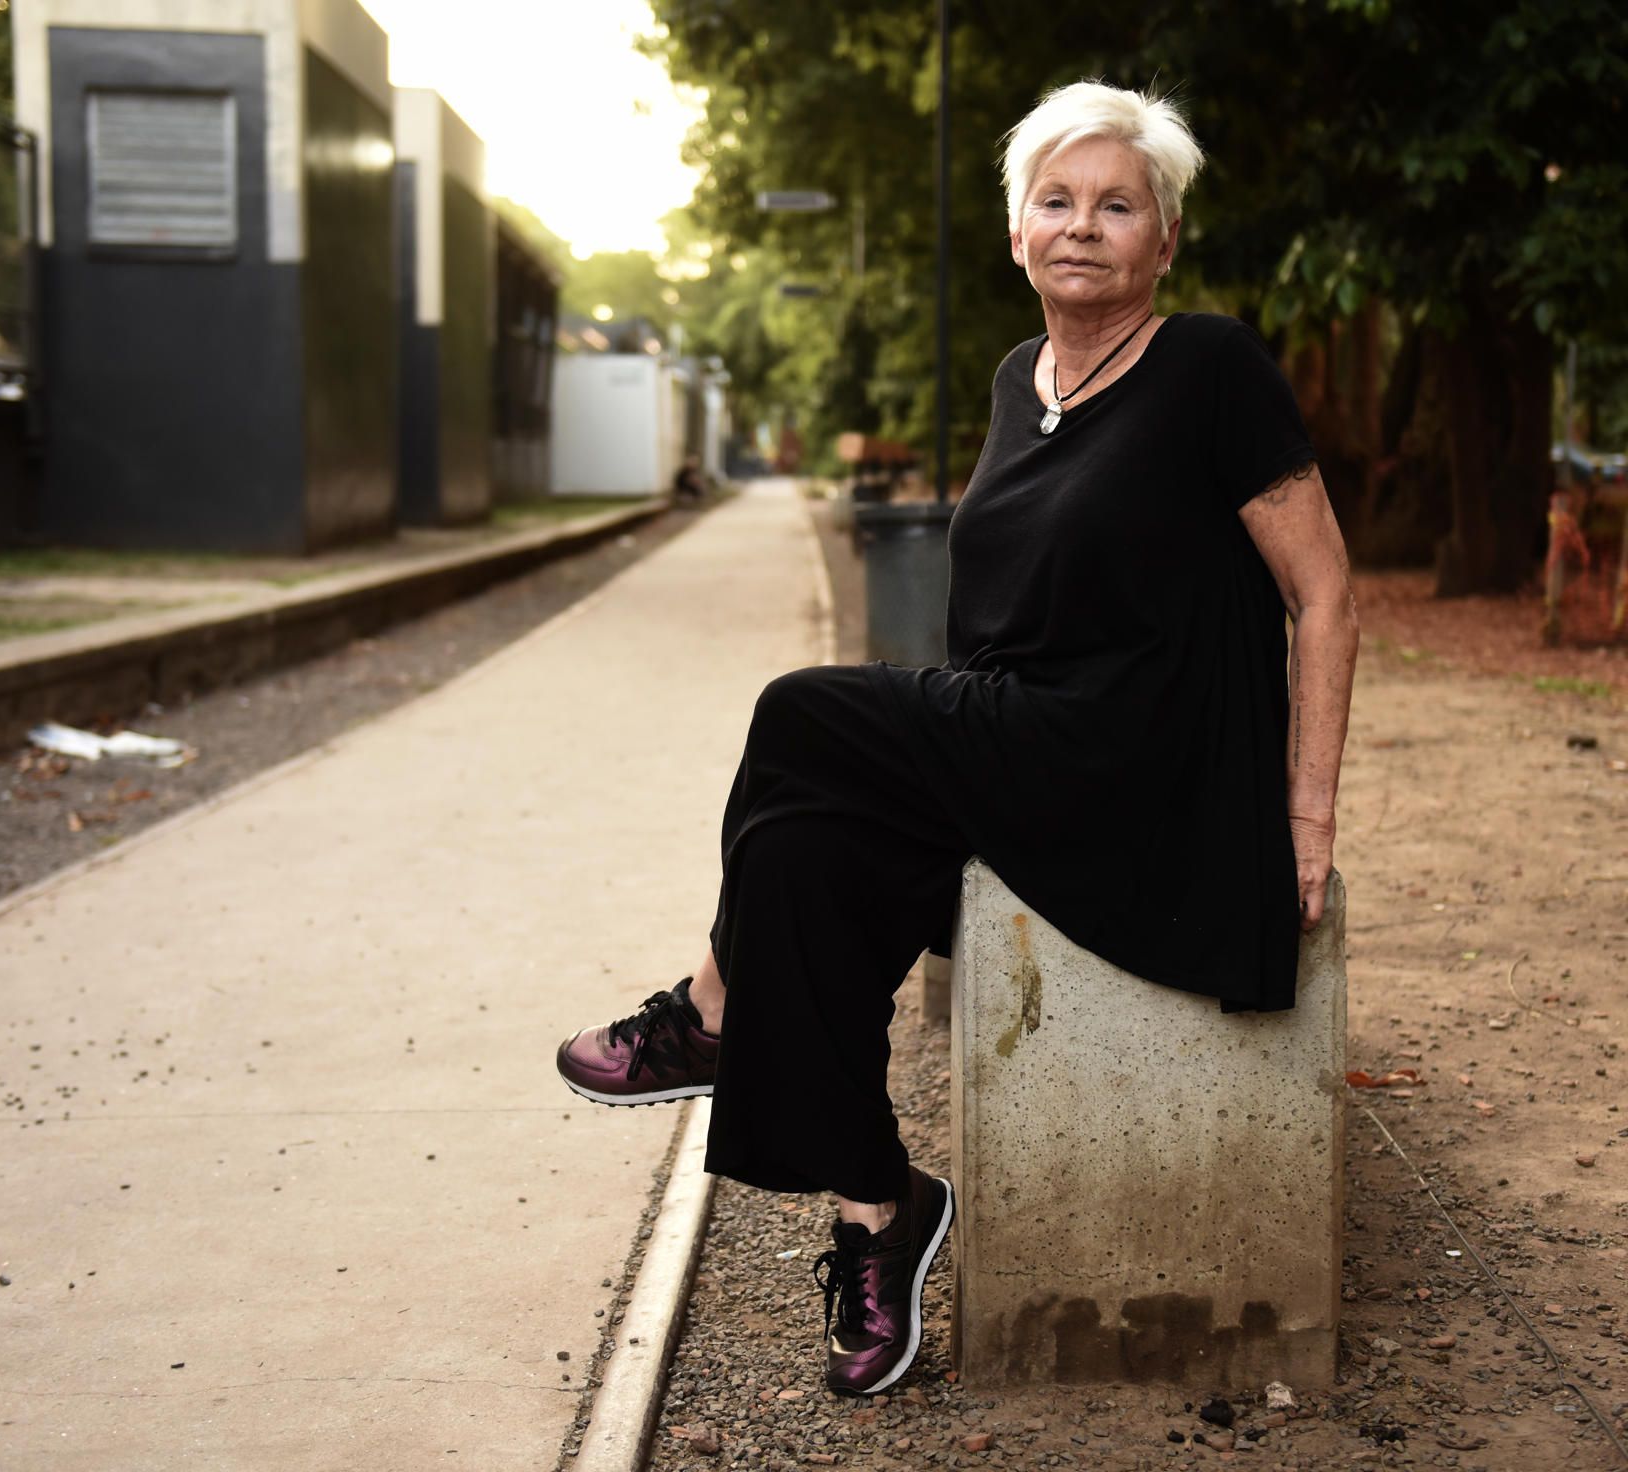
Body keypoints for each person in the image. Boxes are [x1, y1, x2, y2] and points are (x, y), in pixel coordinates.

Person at [557, 80, 1359, 1397]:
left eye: (1118, 205)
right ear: (1017, 237)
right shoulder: (1015, 381)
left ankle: (710, 1014)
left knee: (797, 712)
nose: (1084, 225)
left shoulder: (1209, 367)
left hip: (1136, 777)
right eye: (1057, 202)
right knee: (804, 862)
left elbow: (1325, 593)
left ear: (1163, 241)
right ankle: (879, 1212)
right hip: (1020, 773)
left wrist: (1305, 818)